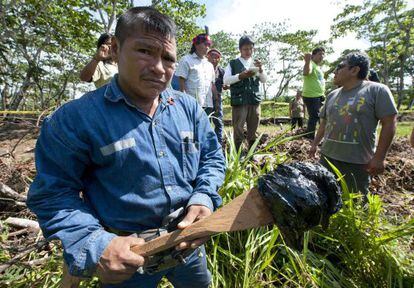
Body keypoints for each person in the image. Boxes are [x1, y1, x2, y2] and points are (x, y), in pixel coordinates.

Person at [27, 7, 225, 288]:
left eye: (168, 58)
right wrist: (97, 244)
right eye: (145, 51)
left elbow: (212, 157)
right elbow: (53, 194)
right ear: (116, 49)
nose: (159, 67)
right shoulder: (74, 120)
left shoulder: (189, 109)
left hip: (188, 246)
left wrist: (203, 197)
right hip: (127, 257)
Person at [309, 52, 397, 195]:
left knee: (355, 204)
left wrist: (379, 158)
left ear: (354, 70)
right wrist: (314, 144)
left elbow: (389, 123)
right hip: (328, 158)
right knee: (326, 197)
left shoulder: (376, 90)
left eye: (340, 66)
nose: (334, 71)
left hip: (357, 163)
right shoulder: (332, 95)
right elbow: (324, 123)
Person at [223, 35, 267, 151]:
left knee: (254, 129)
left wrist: (261, 70)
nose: (248, 51)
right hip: (239, 101)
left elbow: (263, 80)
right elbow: (226, 80)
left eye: (250, 49)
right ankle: (238, 155)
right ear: (240, 50)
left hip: (254, 101)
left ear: (254, 49)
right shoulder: (233, 63)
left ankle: (251, 154)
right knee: (238, 128)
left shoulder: (256, 64)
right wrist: (240, 76)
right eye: (245, 49)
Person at [175, 33, 217, 117]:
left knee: (205, 129)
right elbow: (181, 83)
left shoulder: (209, 65)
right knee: (191, 129)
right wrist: (184, 102)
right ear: (197, 44)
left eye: (209, 45)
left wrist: (216, 100)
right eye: (205, 44)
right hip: (191, 104)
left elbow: (212, 85)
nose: (207, 47)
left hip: (208, 104)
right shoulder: (186, 60)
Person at [302, 47, 326, 140]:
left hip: (319, 96)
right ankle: (310, 137)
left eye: (323, 54)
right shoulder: (311, 64)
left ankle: (318, 135)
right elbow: (306, 72)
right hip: (311, 95)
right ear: (313, 55)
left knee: (320, 116)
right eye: (320, 54)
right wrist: (307, 61)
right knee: (314, 116)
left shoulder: (318, 67)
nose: (322, 56)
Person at [207, 48, 228, 145]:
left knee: (218, 122)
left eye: (217, 57)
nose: (214, 59)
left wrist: (226, 86)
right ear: (208, 57)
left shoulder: (222, 71)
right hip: (205, 100)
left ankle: (218, 145)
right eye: (212, 57)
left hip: (217, 100)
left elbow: (226, 84)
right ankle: (206, 145)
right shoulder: (203, 69)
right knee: (205, 122)